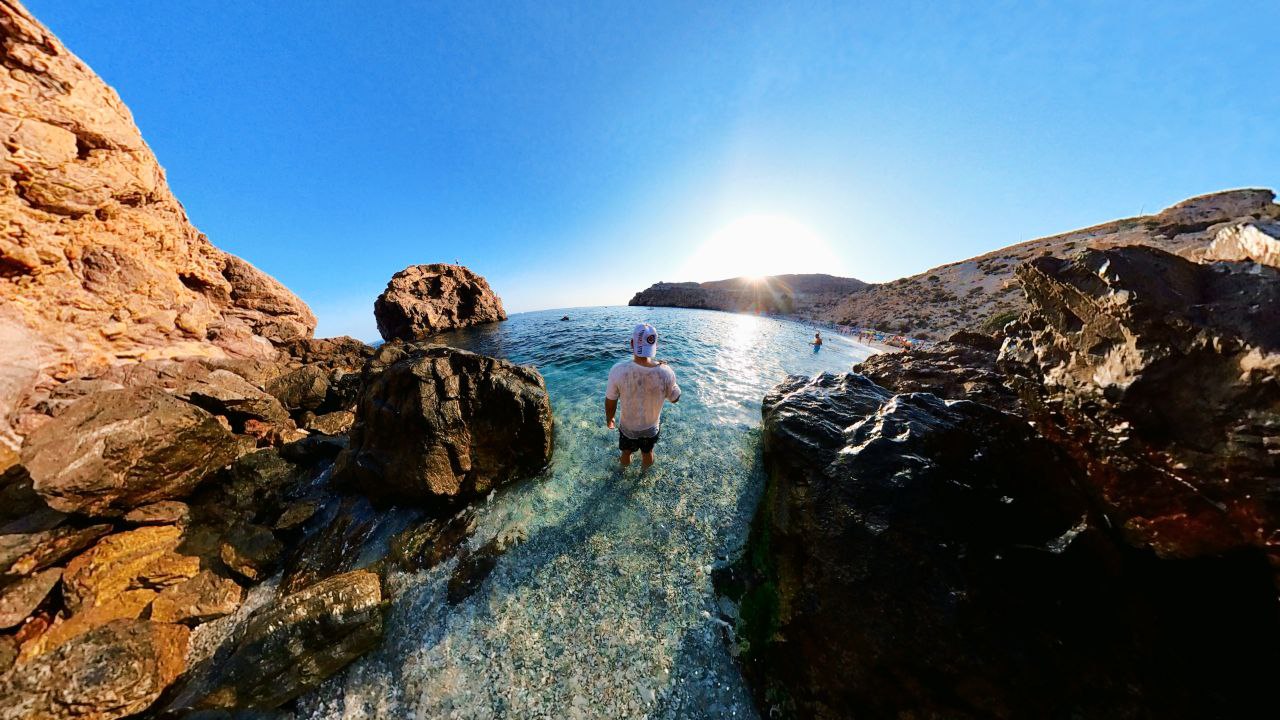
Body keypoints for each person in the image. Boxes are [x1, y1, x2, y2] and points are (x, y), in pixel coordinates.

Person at [605, 323, 681, 469]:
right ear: (655, 345)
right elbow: (675, 398)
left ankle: (622, 472)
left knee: (626, 452)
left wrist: (610, 418)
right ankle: (644, 476)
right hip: (651, 428)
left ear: (632, 343)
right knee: (648, 453)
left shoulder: (618, 370)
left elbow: (610, 400)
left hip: (628, 428)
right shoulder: (666, 372)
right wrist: (674, 386)